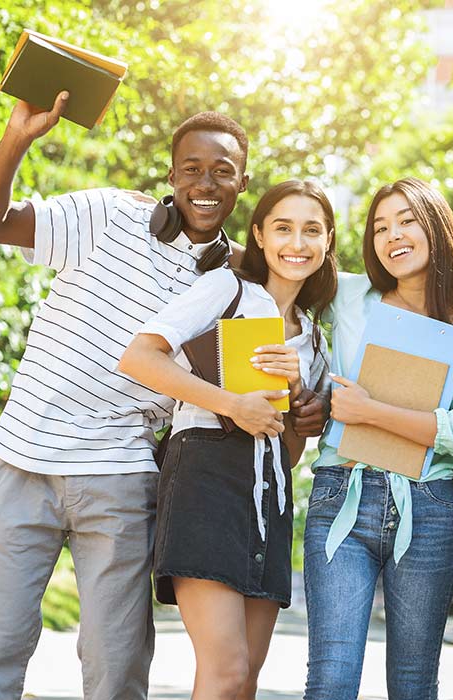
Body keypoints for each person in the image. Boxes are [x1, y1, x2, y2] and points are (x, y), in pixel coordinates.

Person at [0, 93, 326, 699]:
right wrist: (18, 137)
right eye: (191, 170)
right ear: (171, 174)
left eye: (223, 172)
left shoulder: (238, 280)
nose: (205, 183)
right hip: (22, 459)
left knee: (118, 668)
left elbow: (306, 300)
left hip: (125, 478)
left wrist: (302, 410)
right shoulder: (106, 213)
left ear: (243, 185)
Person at [119, 179, 338, 700]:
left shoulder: (315, 337)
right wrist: (232, 404)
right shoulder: (229, 289)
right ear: (259, 235)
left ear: (328, 241)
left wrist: (295, 392)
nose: (297, 243)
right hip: (204, 478)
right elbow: (139, 357)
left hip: (270, 497)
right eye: (283, 228)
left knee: (246, 680)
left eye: (312, 231)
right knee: (225, 669)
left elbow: (287, 452)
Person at [303, 177, 453, 700]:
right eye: (381, 227)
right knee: (331, 677)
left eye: (407, 221)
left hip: (427, 506)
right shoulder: (349, 296)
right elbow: (285, 258)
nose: (393, 235)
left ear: (435, 227)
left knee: (414, 684)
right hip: (340, 493)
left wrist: (371, 412)